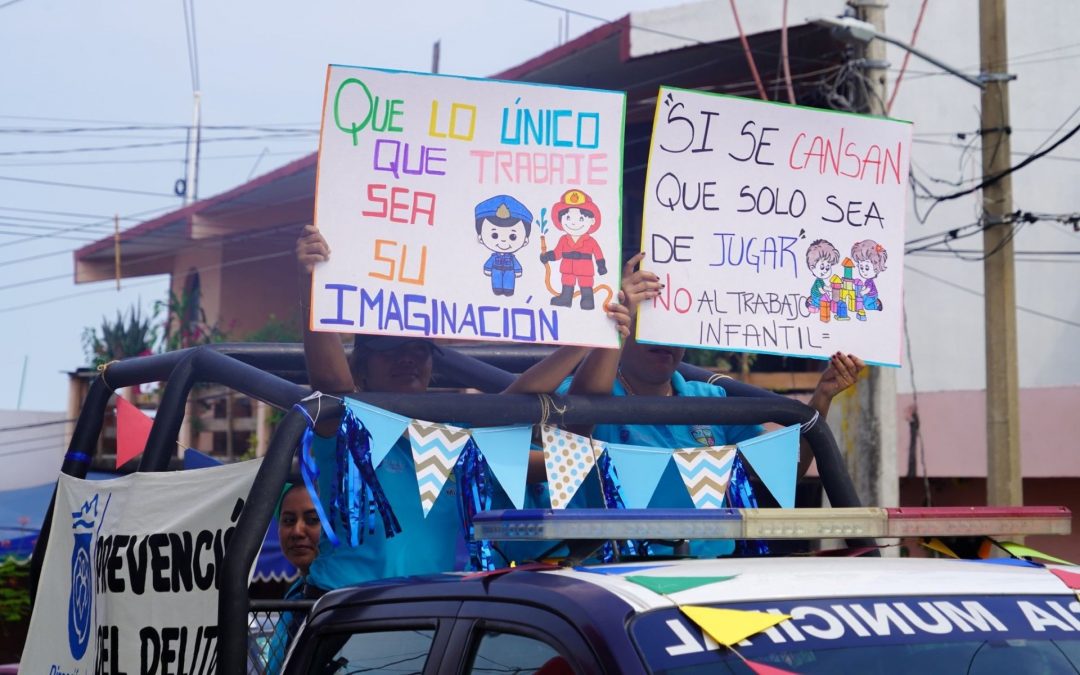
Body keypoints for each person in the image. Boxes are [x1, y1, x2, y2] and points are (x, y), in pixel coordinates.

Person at [295, 224, 631, 589]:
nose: (407, 359)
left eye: (419, 351)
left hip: (423, 615)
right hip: (341, 608)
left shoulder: (453, 440)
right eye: (389, 350)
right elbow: (331, 385)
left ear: (432, 366)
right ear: (361, 366)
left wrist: (594, 335)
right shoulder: (347, 426)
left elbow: (521, 411)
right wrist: (314, 283)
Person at [563, 252, 865, 554]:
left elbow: (784, 470)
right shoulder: (588, 391)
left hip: (717, 570)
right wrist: (615, 318)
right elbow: (582, 410)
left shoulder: (711, 398)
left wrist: (822, 397)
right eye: (648, 325)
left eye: (673, 327)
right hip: (617, 578)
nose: (663, 340)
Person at [265, 483, 321, 675]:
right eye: (288, 520)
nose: (297, 531)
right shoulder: (296, 594)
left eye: (313, 520)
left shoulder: (346, 594)